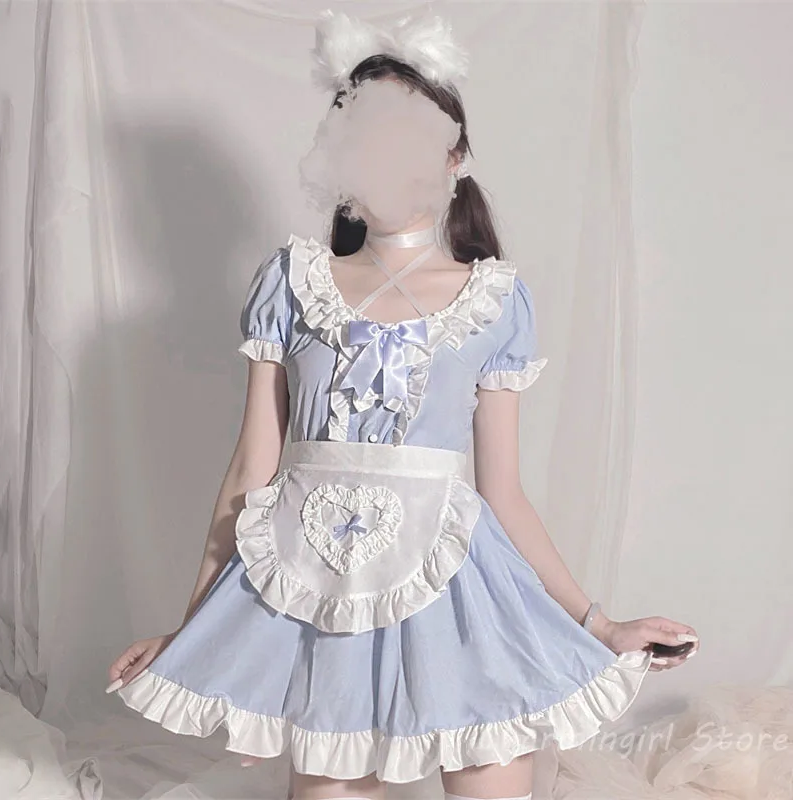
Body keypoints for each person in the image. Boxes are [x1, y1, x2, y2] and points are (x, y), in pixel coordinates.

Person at [106, 10, 699, 800]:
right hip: (320, 596)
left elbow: (504, 493)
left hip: (460, 596)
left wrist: (602, 624)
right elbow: (251, 472)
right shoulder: (290, 282)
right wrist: (194, 635)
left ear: (453, 153)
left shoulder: (494, 300)